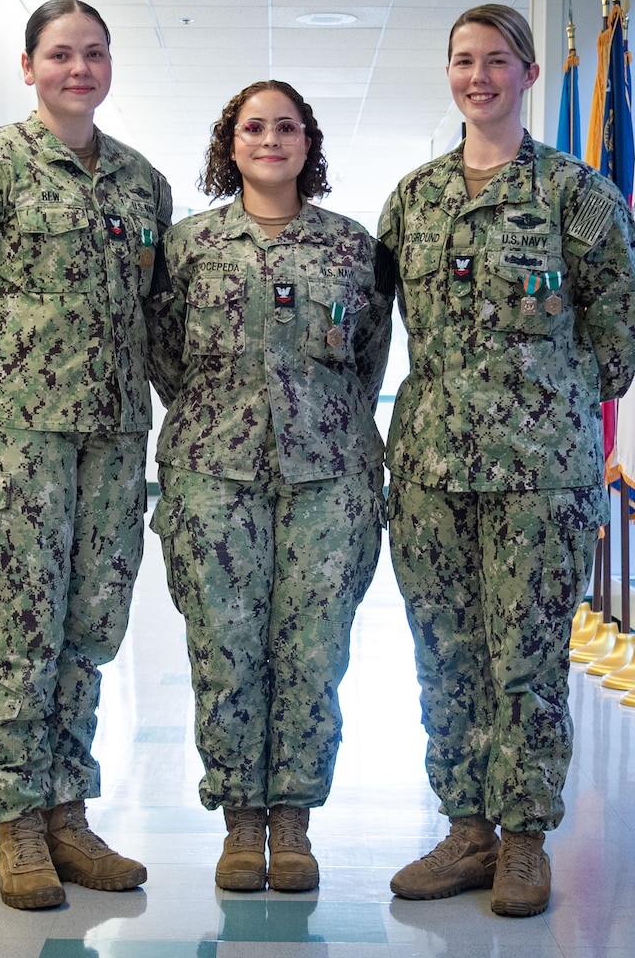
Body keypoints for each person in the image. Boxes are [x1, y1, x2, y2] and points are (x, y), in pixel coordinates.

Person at [0, 0, 172, 911]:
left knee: (90, 625)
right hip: (15, 442)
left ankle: (67, 812)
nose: (78, 69)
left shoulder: (142, 184)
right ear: (28, 67)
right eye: (60, 54)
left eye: (94, 53)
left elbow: (152, 312)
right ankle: (16, 824)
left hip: (113, 439)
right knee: (22, 624)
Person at [375, 4, 635, 918]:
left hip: (540, 479)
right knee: (445, 656)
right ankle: (467, 832)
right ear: (448, 73)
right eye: (463, 61)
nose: (478, 76)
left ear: (529, 74)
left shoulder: (578, 196)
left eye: (497, 61)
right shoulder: (412, 201)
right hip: (428, 475)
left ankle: (525, 839)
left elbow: (623, 330)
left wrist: (551, 403)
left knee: (528, 661)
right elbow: (382, 328)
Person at [146, 81, 392, 894]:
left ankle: (293, 819)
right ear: (231, 142)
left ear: (308, 143)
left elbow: (366, 361)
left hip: (330, 479)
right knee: (223, 648)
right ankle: (240, 822)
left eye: (286, 127)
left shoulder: (354, 250)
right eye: (254, 127)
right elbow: (166, 358)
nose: (270, 140)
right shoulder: (186, 248)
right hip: (212, 478)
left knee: (314, 653)